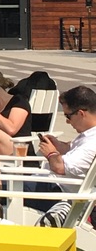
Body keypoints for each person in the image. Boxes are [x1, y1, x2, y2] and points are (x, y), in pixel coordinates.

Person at [29, 85, 96, 225]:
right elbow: (73, 150)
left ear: (81, 113)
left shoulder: (91, 143)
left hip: (58, 194)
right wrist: (59, 146)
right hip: (52, 187)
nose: (67, 121)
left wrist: (51, 153)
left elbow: (60, 167)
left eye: (68, 116)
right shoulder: (89, 135)